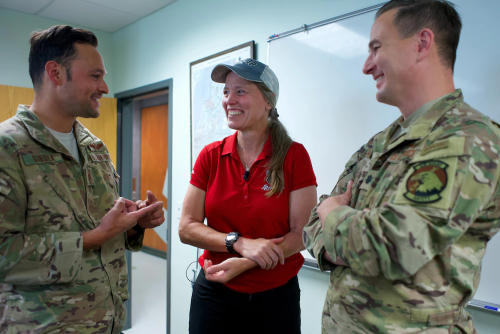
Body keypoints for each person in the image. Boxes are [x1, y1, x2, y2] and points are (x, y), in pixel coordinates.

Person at [303, 1, 500, 333]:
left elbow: (393, 247)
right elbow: (313, 222)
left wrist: (335, 216)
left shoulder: (471, 139)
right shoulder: (381, 142)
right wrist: (341, 229)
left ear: (422, 44)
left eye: (376, 48)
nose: (367, 66)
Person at [0, 25, 165, 334]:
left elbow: (100, 222)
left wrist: (134, 222)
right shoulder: (7, 147)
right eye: (95, 76)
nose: (104, 87)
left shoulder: (95, 147)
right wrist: (93, 237)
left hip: (108, 321)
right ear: (56, 73)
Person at [179, 58, 317, 334]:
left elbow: (302, 233)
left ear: (268, 101)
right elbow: (186, 228)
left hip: (276, 298)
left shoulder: (294, 156)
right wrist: (238, 244)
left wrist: (248, 261)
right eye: (226, 92)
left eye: (240, 91)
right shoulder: (210, 155)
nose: (230, 99)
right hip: (214, 294)